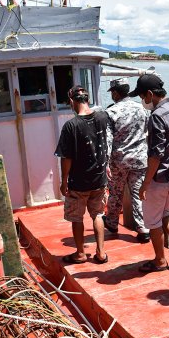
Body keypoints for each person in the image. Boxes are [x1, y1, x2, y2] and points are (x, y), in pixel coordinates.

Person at [129, 74, 169, 272]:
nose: (142, 101)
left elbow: (156, 154)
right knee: (165, 213)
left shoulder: (157, 116)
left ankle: (160, 260)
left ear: (150, 94)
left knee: (153, 221)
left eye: (142, 96)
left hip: (160, 177)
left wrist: (146, 183)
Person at [55, 86, 109, 265]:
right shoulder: (102, 117)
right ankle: (101, 253)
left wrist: (64, 181)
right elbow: (105, 144)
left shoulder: (71, 125)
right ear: (87, 98)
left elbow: (66, 157)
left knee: (77, 218)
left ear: (72, 101)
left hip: (79, 183)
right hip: (99, 179)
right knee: (98, 214)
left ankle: (80, 253)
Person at [103, 77, 151, 243]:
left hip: (119, 161)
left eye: (112, 93)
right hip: (140, 159)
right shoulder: (143, 109)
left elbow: (107, 140)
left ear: (115, 93)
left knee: (115, 193)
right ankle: (143, 228)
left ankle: (112, 222)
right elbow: (147, 133)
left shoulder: (111, 112)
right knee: (138, 194)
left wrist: (105, 162)